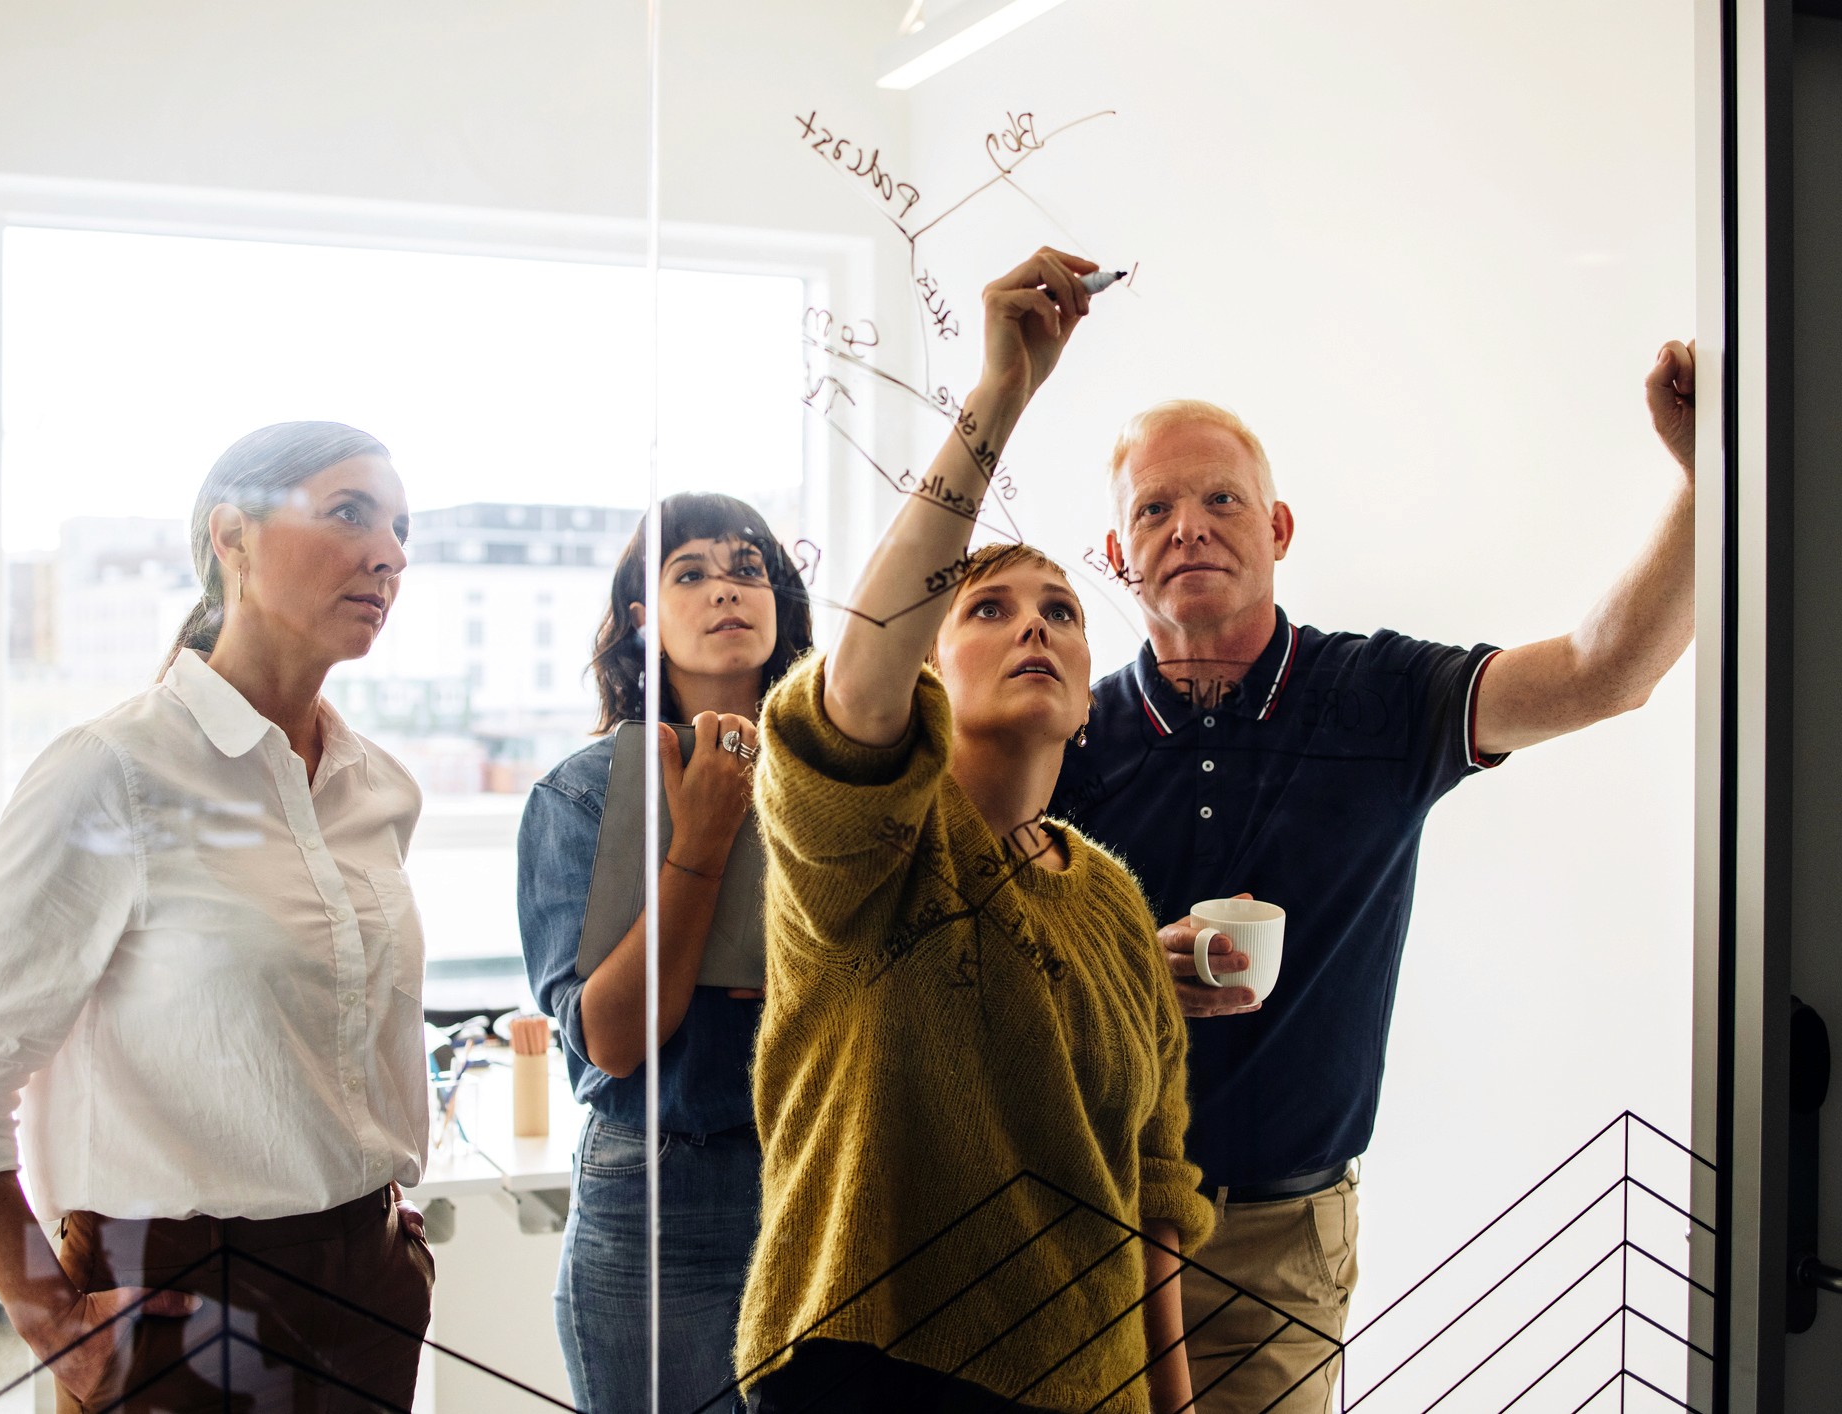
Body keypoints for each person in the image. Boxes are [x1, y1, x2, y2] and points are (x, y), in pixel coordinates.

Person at [1049, 345, 1699, 1413]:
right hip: (1077, 1216)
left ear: (1277, 530)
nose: (1189, 526)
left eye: (1221, 498)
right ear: (1118, 552)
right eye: (1155, 508)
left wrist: (1698, 479)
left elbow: (1602, 672)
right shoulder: (1062, 730)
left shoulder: (1375, 694)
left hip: (1276, 1242)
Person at [735, 249, 1212, 1414]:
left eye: (1058, 609)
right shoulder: (863, 848)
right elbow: (856, 675)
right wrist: (1000, 395)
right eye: (986, 609)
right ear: (928, 663)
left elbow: (1152, 1188)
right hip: (869, 1370)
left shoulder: (1102, 892)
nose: (1033, 626)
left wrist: (1174, 1401)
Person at [0, 422, 436, 1413]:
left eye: (399, 526)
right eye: (349, 512)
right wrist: (48, 1317)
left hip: (368, 1281)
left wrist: (382, 1242)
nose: (388, 551)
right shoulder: (114, 772)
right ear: (233, 535)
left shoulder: (379, 788)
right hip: (178, 1295)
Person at [518, 493, 815, 1414]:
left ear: (780, 608)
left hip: (823, 1180)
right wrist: (703, 838)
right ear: (643, 620)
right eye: (689, 572)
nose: (724, 589)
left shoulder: (840, 782)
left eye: (747, 568)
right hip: (658, 1200)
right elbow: (610, 1040)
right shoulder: (584, 794)